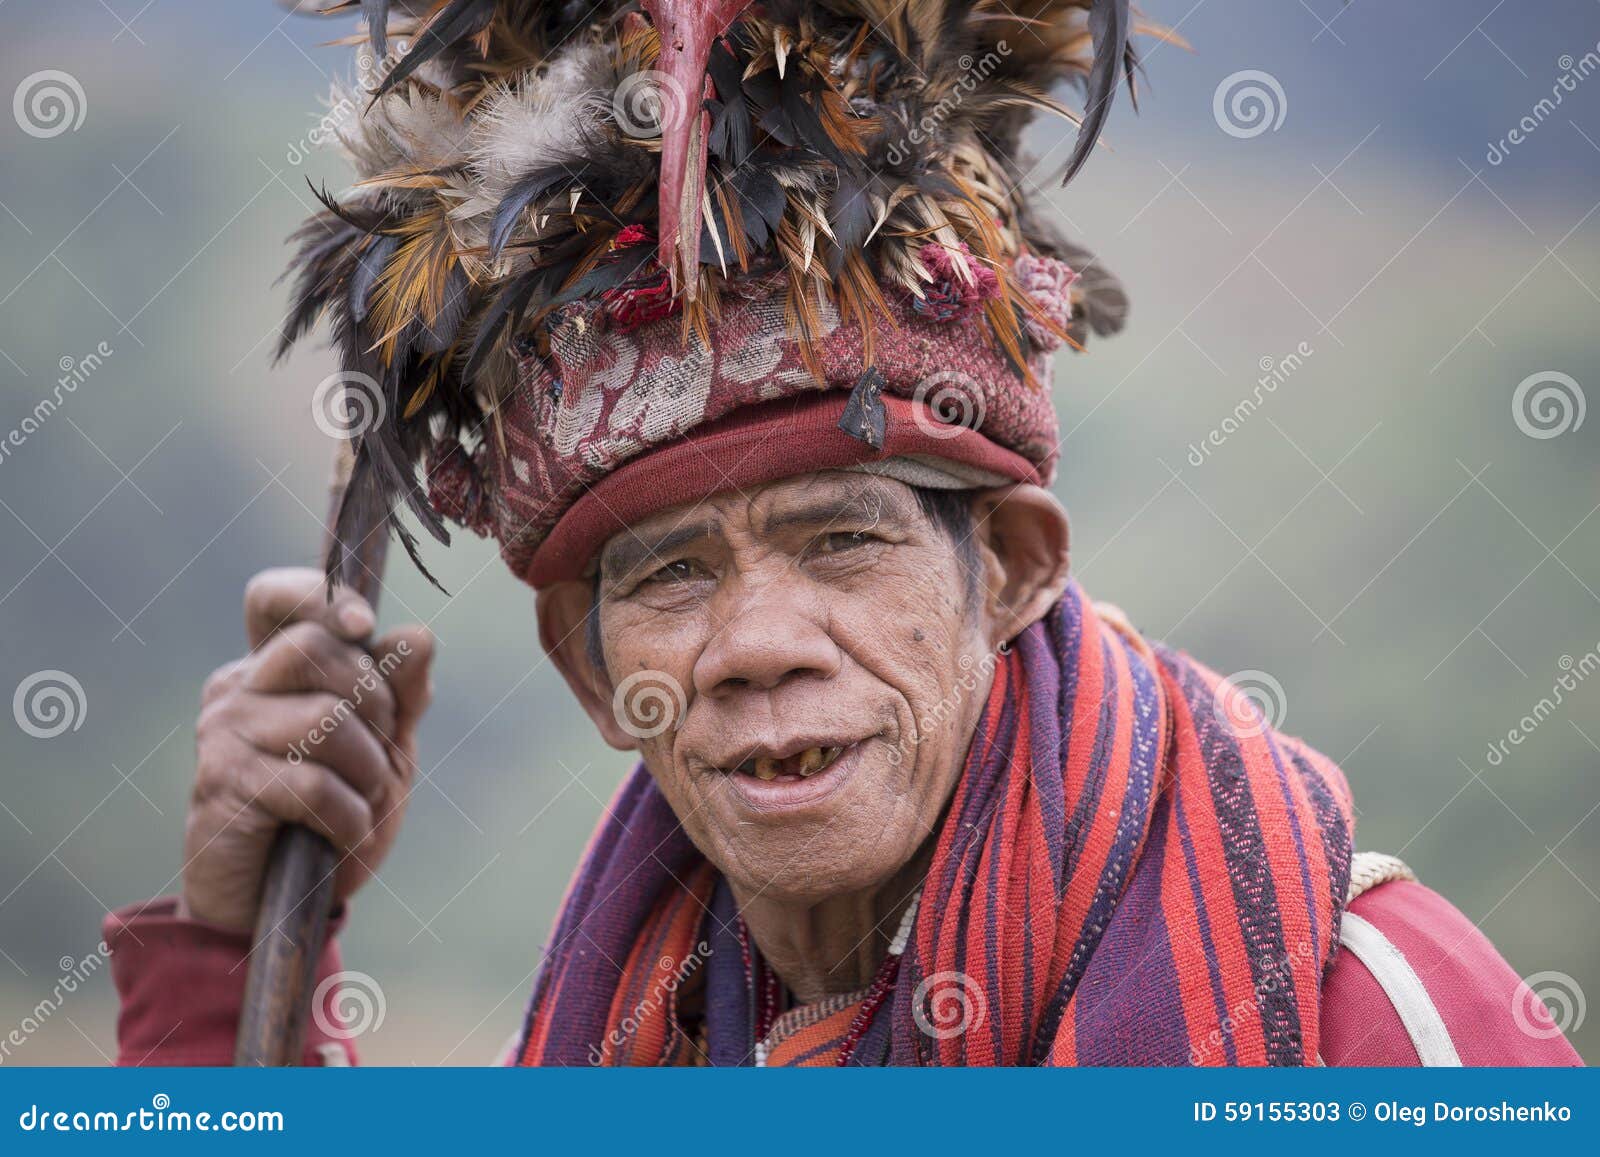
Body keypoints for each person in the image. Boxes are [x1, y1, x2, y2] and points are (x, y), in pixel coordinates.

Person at [104, 0, 1580, 1066]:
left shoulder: (1380, 1029)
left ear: (1008, 568)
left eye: (842, 543)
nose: (755, 644)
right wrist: (232, 958)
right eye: (673, 571)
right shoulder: (627, 1043)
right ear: (586, 664)